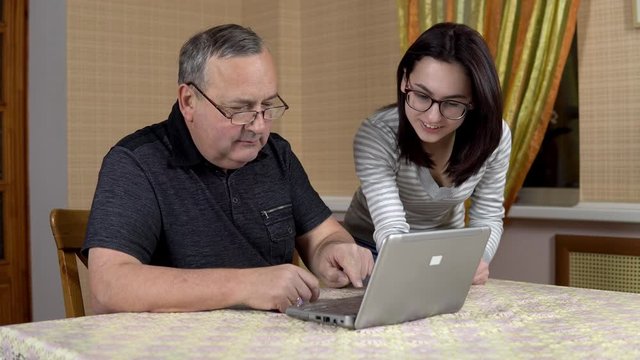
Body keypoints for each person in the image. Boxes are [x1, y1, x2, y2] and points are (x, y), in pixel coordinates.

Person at [83, 24, 373, 315]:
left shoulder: (276, 154)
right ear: (188, 101)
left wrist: (334, 251)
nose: (259, 126)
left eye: (268, 105)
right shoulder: (135, 162)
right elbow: (109, 287)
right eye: (239, 109)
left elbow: (324, 236)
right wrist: (246, 285)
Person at [343, 22, 511, 285]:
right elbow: (391, 227)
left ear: (474, 100)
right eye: (422, 96)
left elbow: (487, 213)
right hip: (372, 248)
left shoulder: (495, 136)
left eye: (453, 103)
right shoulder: (377, 133)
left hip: (446, 248)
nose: (432, 117)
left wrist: (477, 259)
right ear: (404, 80)